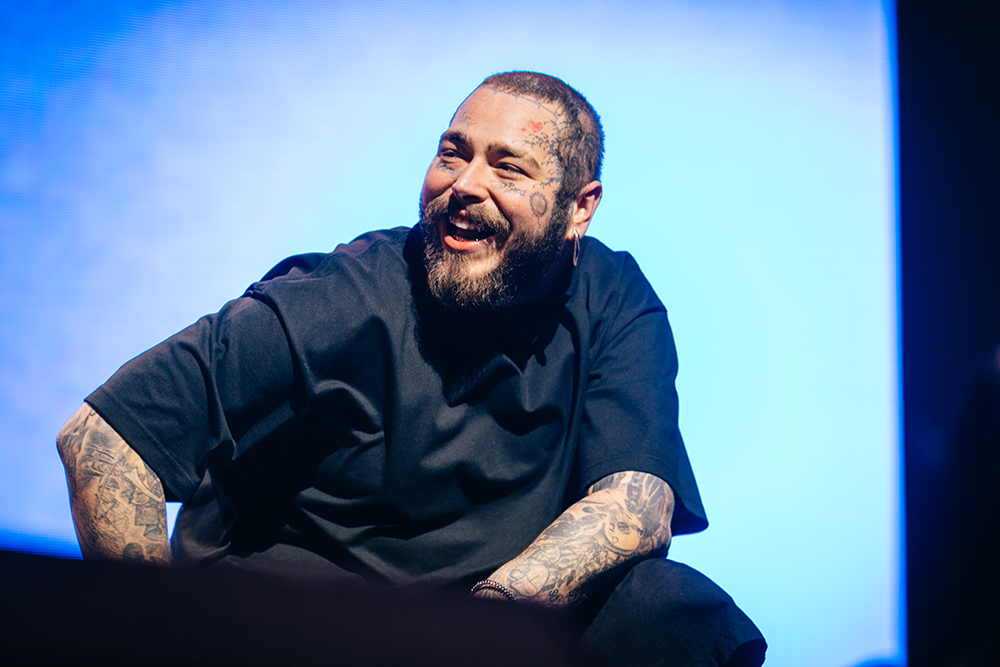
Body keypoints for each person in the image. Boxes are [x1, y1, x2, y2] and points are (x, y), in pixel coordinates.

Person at [57, 71, 765, 666]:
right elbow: (102, 438)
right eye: (452, 155)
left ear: (581, 207)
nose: (465, 184)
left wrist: (487, 620)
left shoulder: (613, 297)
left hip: (473, 625)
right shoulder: (342, 296)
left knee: (673, 609)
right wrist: (158, 640)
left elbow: (637, 502)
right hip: (290, 622)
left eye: (508, 166)